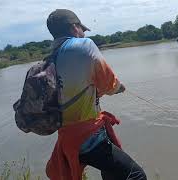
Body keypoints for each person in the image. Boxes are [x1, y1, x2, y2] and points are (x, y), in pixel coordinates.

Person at [45, 9, 147, 180]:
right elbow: (110, 84)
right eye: (82, 29)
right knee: (136, 176)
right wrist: (119, 88)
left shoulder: (51, 57)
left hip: (67, 140)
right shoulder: (84, 45)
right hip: (88, 137)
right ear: (74, 27)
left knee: (112, 173)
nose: (84, 33)